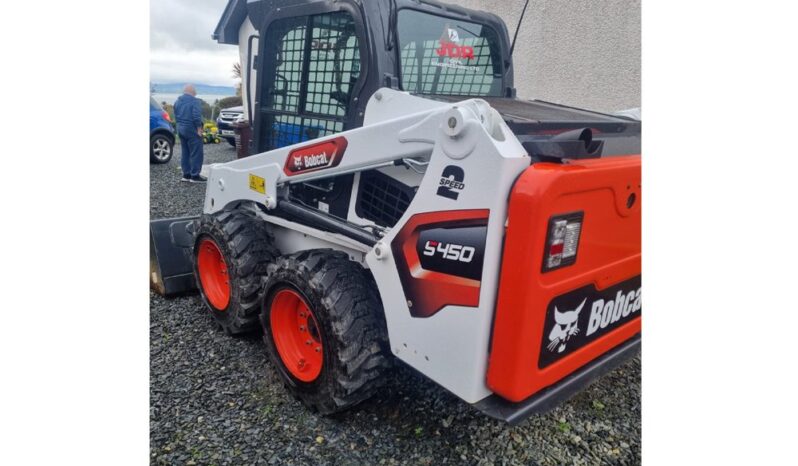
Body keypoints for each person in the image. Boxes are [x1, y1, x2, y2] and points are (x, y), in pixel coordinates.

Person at [173, 84, 206, 183]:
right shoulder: (194, 101)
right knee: (196, 152)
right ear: (192, 91)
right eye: (195, 90)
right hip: (191, 129)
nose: (196, 92)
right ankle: (195, 176)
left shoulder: (177, 101)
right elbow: (196, 116)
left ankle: (186, 175)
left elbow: (176, 115)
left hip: (180, 128)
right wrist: (199, 128)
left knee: (185, 152)